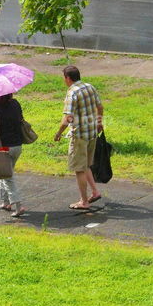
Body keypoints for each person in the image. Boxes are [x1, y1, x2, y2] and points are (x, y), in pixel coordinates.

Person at [54, 65, 103, 210]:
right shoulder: (89, 87)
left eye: (64, 78)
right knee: (86, 165)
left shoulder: (72, 93)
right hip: (92, 131)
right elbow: (100, 107)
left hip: (79, 135)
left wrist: (59, 133)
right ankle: (94, 192)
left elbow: (68, 118)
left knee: (79, 169)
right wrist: (100, 122)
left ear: (68, 78)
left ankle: (84, 201)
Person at [0, 93, 27, 217]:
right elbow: (20, 119)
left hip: (3, 147)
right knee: (4, 172)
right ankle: (5, 202)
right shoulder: (15, 103)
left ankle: (18, 205)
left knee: (7, 177)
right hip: (17, 145)